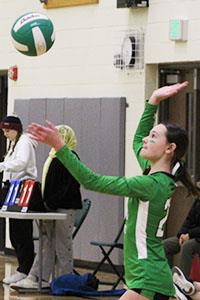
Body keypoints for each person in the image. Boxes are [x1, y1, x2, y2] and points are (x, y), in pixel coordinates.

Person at [27, 81, 199, 300]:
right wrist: (153, 101)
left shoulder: (148, 184)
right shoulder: (158, 177)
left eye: (154, 136)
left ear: (169, 148)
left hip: (148, 278)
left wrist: (61, 147)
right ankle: (190, 291)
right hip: (148, 276)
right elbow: (137, 139)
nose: (146, 139)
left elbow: (91, 181)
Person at [10, 125, 82, 289]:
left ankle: (65, 281)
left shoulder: (70, 156)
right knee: (47, 243)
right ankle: (38, 277)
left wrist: (51, 202)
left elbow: (68, 186)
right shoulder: (54, 156)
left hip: (64, 207)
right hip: (51, 207)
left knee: (63, 245)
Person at [0, 115, 37, 284]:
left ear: (16, 129)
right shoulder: (13, 144)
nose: (5, 133)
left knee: (21, 231)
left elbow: (21, 163)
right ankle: (22, 267)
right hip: (12, 187)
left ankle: (26, 269)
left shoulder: (24, 142)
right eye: (4, 131)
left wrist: (2, 165)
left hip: (24, 188)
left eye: (8, 130)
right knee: (14, 232)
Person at [163, 198, 200, 299]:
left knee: (187, 247)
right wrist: (181, 234)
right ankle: (168, 283)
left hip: (196, 238)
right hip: (189, 236)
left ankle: (183, 287)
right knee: (165, 246)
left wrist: (189, 235)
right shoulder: (197, 199)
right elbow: (188, 219)